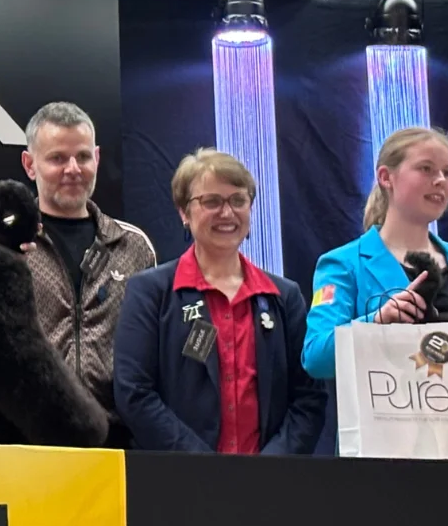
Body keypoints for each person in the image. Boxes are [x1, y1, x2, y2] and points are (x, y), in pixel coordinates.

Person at [112, 150, 324, 453]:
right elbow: (134, 393)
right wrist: (205, 466)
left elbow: (309, 398)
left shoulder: (284, 297)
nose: (227, 213)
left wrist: (273, 464)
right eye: (211, 201)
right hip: (179, 475)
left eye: (238, 200)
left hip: (271, 476)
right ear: (184, 213)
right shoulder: (151, 292)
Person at [303, 127, 448, 381]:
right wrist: (376, 322)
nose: (440, 180)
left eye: (447, 172)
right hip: (391, 403)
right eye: (426, 168)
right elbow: (316, 358)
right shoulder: (343, 264)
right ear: (386, 177)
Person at [9, 102, 155, 448]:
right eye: (58, 158)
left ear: (97, 158)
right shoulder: (1, 242)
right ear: (29, 164)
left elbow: (153, 350)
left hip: (115, 438)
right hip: (26, 436)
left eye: (83, 157)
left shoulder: (134, 246)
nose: (73, 169)